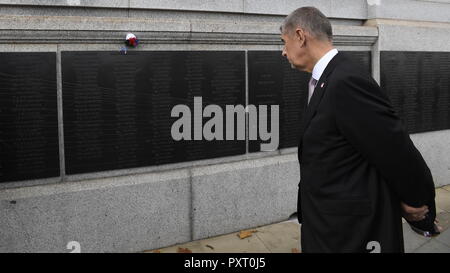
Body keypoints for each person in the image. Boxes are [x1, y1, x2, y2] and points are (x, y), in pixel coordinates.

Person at [280, 7, 440, 253]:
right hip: (327, 222)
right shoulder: (324, 78)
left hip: (351, 232)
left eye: (284, 41)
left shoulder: (345, 80)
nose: (283, 51)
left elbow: (394, 148)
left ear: (301, 36)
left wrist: (417, 202)